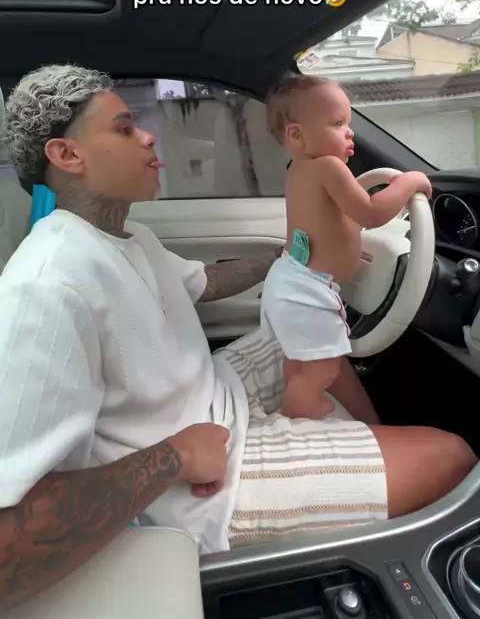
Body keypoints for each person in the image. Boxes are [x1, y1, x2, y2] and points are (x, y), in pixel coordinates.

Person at [0, 64, 476, 611]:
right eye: (125, 128)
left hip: (215, 393)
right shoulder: (46, 287)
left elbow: (205, 282)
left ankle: (374, 465)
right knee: (452, 457)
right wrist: (175, 457)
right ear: (68, 155)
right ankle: (384, 480)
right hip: (195, 483)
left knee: (324, 347)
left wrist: (291, 257)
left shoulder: (126, 236)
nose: (149, 136)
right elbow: (10, 539)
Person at [262, 76, 433, 420]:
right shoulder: (329, 167)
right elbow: (370, 213)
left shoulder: (297, 170)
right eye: (338, 123)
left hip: (288, 281)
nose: (350, 132)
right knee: (323, 368)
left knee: (299, 357)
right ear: (297, 135)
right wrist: (409, 181)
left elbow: (333, 221)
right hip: (308, 291)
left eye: (348, 123)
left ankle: (297, 387)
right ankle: (299, 409)